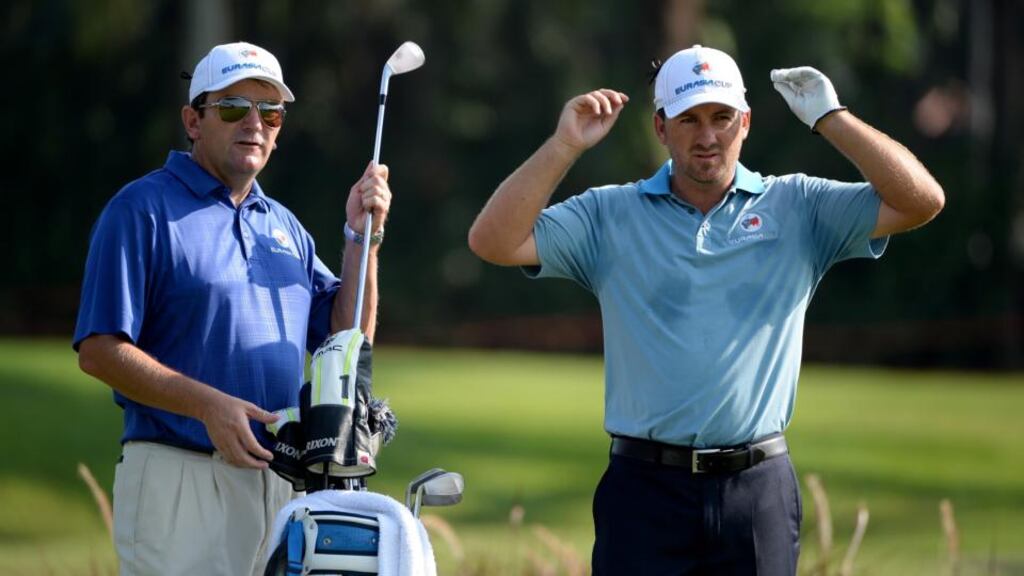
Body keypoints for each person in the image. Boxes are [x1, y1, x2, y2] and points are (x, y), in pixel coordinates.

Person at [468, 44, 944, 575]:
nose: (707, 135)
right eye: (688, 119)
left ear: (746, 122)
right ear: (661, 128)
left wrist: (831, 119)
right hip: (644, 493)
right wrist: (563, 146)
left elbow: (921, 200)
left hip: (756, 491)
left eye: (721, 117)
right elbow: (493, 242)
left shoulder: (799, 206)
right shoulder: (610, 213)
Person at [74, 41, 392, 576]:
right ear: (193, 120)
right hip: (179, 476)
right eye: (232, 108)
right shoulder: (140, 209)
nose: (254, 123)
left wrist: (363, 239)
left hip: (283, 482)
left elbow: (347, 338)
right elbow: (99, 349)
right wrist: (207, 406)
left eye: (269, 113)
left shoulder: (285, 226)